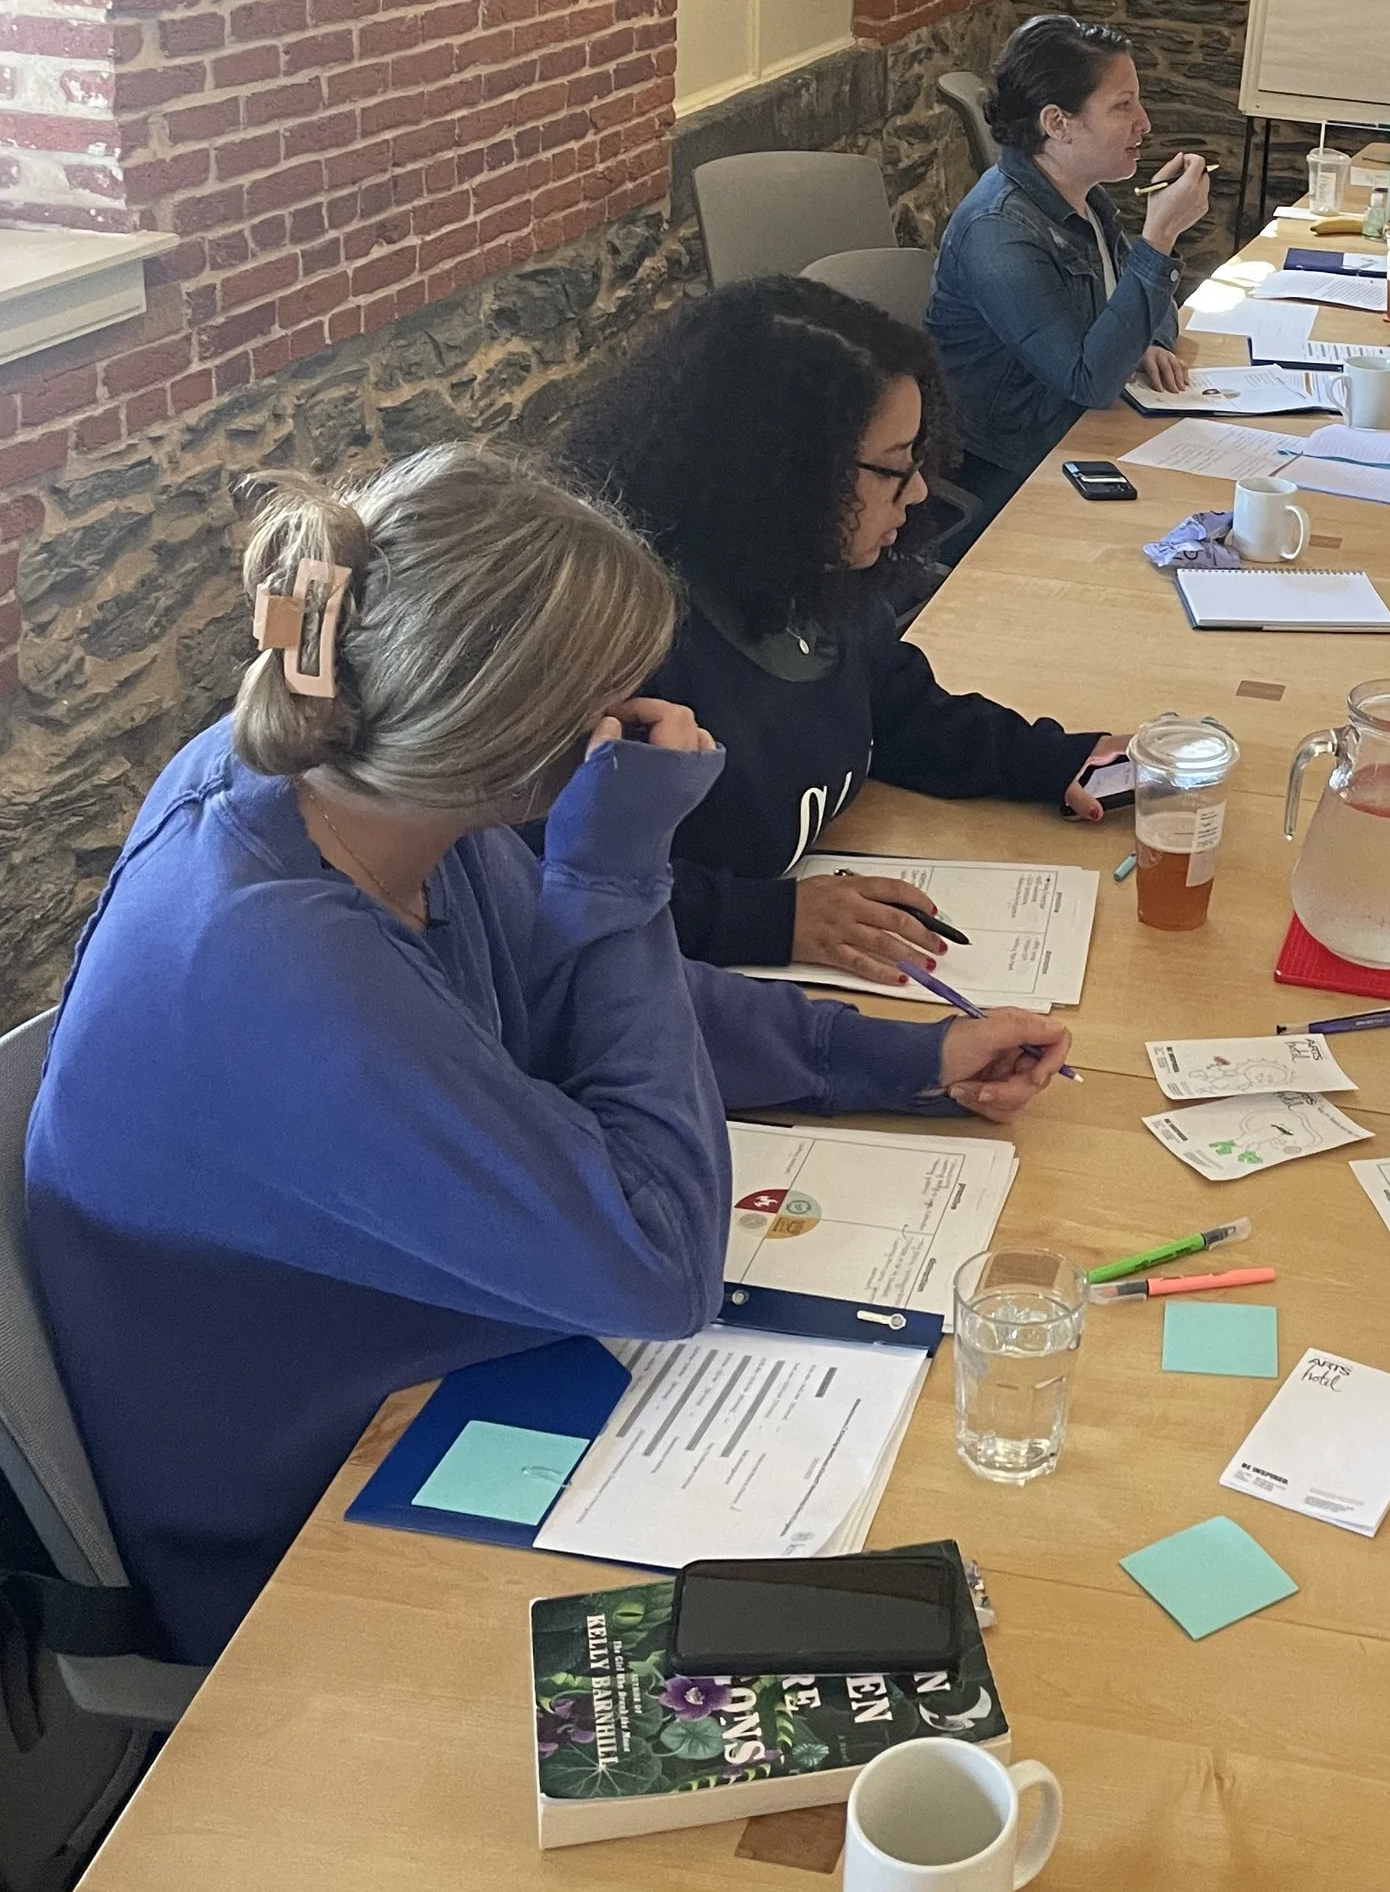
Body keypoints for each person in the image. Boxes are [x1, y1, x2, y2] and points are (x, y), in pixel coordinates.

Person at [25, 446, 1070, 1666]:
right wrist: (626, 863)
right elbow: (661, 1266)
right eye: (618, 702)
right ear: (511, 748)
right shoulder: (276, 960)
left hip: (441, 1352)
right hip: (303, 1540)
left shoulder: (365, 774)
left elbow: (576, 971)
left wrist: (908, 1058)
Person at [563, 278, 1130, 978]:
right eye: (894, 468)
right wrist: (773, 918)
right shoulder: (629, 650)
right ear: (786, 472)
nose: (919, 490)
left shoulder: (811, 572)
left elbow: (892, 703)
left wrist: (1052, 758)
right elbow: (569, 881)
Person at [926, 14, 1211, 523]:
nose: (1144, 123)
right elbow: (1089, 380)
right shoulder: (1000, 230)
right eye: (1123, 106)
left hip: (1080, 437)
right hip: (1009, 473)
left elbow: (1155, 311)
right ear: (1057, 123)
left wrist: (1144, 341)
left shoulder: (1086, 199)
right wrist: (1159, 238)